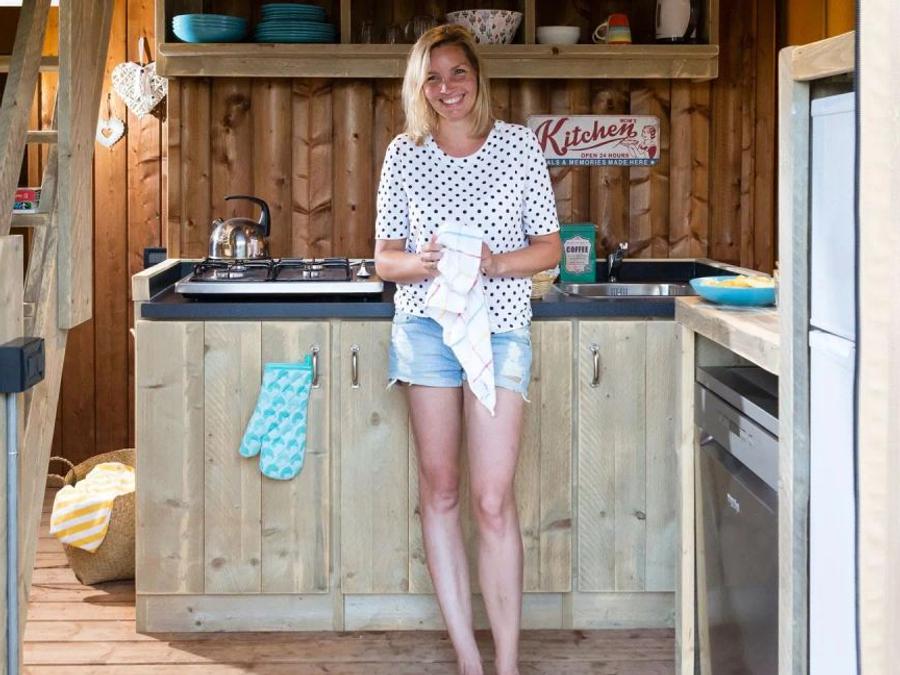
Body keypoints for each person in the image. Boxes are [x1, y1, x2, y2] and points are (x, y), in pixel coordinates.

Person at [373, 24, 561, 675]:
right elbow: (384, 259)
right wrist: (423, 261)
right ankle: (468, 659)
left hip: (500, 330)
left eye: (457, 73)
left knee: (492, 499)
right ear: (418, 87)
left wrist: (494, 261)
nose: (447, 87)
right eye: (432, 77)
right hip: (426, 331)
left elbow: (549, 247)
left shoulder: (517, 147)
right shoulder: (404, 154)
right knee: (442, 491)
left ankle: (506, 663)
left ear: (477, 77)